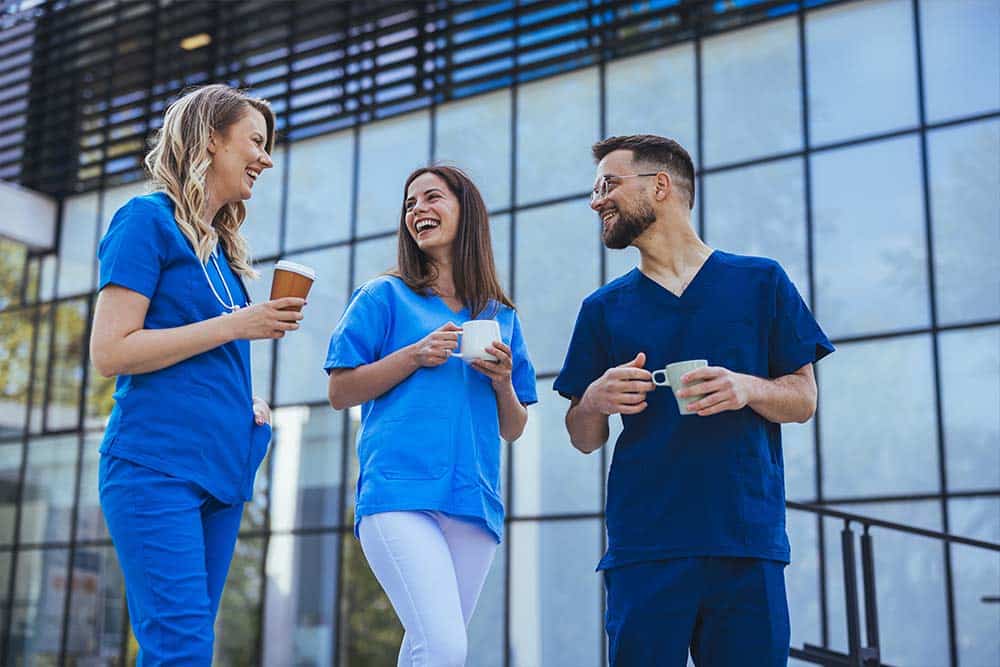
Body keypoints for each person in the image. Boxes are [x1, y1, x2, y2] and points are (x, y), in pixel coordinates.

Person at [554, 134, 834, 666]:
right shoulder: (602, 309)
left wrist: (747, 386)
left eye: (608, 185)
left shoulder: (761, 282)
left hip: (745, 545)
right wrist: (593, 400)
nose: (597, 201)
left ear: (659, 186)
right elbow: (582, 437)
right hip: (644, 548)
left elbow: (803, 400)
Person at [90, 84, 306, 664]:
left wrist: (245, 401)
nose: (265, 158)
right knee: (181, 650)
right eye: (255, 142)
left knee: (185, 648)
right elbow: (111, 351)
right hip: (156, 468)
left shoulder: (222, 254)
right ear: (211, 137)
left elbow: (197, 355)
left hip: (220, 472)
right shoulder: (145, 220)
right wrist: (238, 327)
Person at [325, 165, 536, 666]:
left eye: (431, 198)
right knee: (443, 647)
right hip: (399, 495)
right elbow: (339, 391)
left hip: (473, 502)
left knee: (428, 650)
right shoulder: (384, 296)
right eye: (409, 203)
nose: (417, 209)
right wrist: (414, 355)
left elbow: (514, 426)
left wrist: (503, 382)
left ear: (467, 212)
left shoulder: (500, 316)